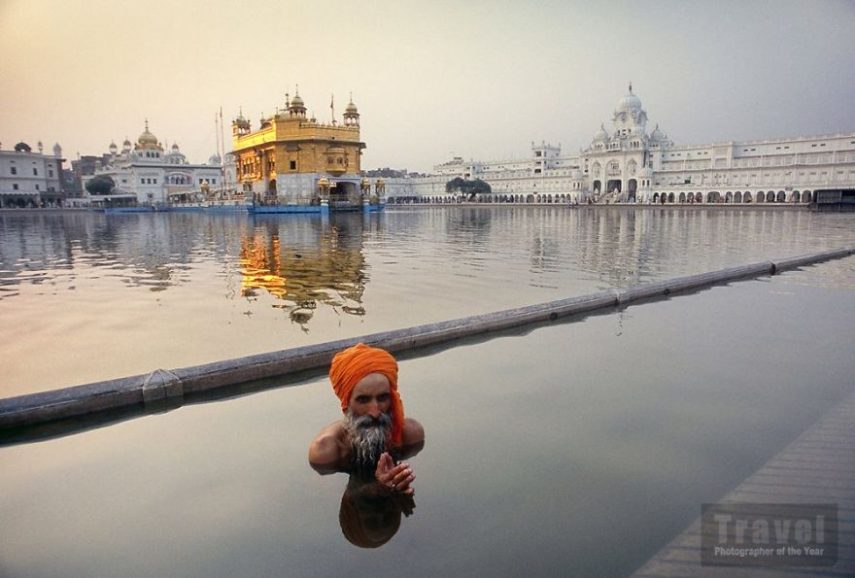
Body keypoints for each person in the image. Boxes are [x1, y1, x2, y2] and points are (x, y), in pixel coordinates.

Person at [309, 343, 425, 495]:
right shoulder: (326, 450)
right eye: (363, 400)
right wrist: (379, 487)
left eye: (383, 398)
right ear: (346, 404)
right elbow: (325, 500)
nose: (375, 412)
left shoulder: (410, 434)